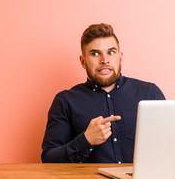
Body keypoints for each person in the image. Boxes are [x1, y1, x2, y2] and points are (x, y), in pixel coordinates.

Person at [41, 23, 165, 163]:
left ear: (120, 56)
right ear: (83, 61)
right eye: (95, 54)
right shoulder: (65, 101)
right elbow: (48, 159)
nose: (104, 60)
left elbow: (172, 143)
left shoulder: (150, 93)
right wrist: (86, 140)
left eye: (111, 52)